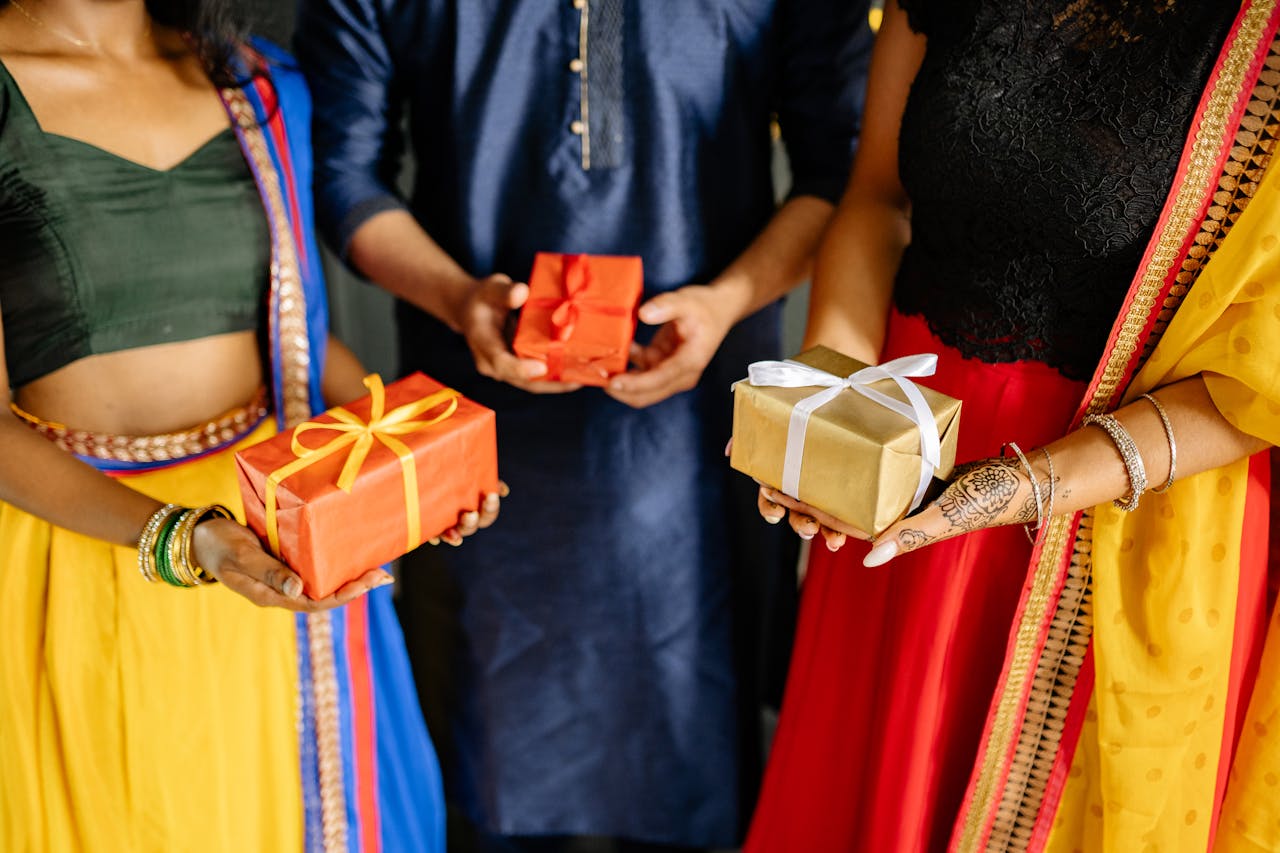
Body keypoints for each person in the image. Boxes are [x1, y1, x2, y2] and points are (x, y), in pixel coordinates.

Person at [294, 2, 872, 850]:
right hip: (482, 443)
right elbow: (344, 177)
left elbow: (845, 175)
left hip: (695, 434)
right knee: (490, 756)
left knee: (692, 734)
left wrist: (729, 301)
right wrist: (460, 299)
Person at [745, 1, 1280, 851]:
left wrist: (1020, 487)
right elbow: (879, 199)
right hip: (903, 444)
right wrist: (831, 402)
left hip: (1119, 499)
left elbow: (1263, 375)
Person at [0, 2, 500, 849]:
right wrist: (189, 539)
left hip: (288, 546)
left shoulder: (255, 79)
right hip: (90, 565)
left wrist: (417, 459)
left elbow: (295, 336)